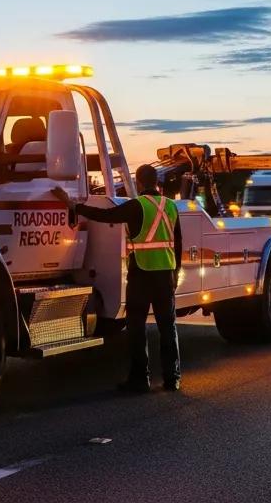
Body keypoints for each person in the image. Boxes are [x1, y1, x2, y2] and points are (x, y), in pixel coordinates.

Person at [52, 165, 183, 392]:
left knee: (137, 328)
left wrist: (74, 206)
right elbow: (178, 243)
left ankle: (140, 380)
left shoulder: (136, 206)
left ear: (139, 183)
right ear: (156, 182)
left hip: (142, 274)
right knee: (167, 327)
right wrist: (175, 272)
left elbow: (105, 215)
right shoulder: (171, 206)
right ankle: (173, 379)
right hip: (165, 275)